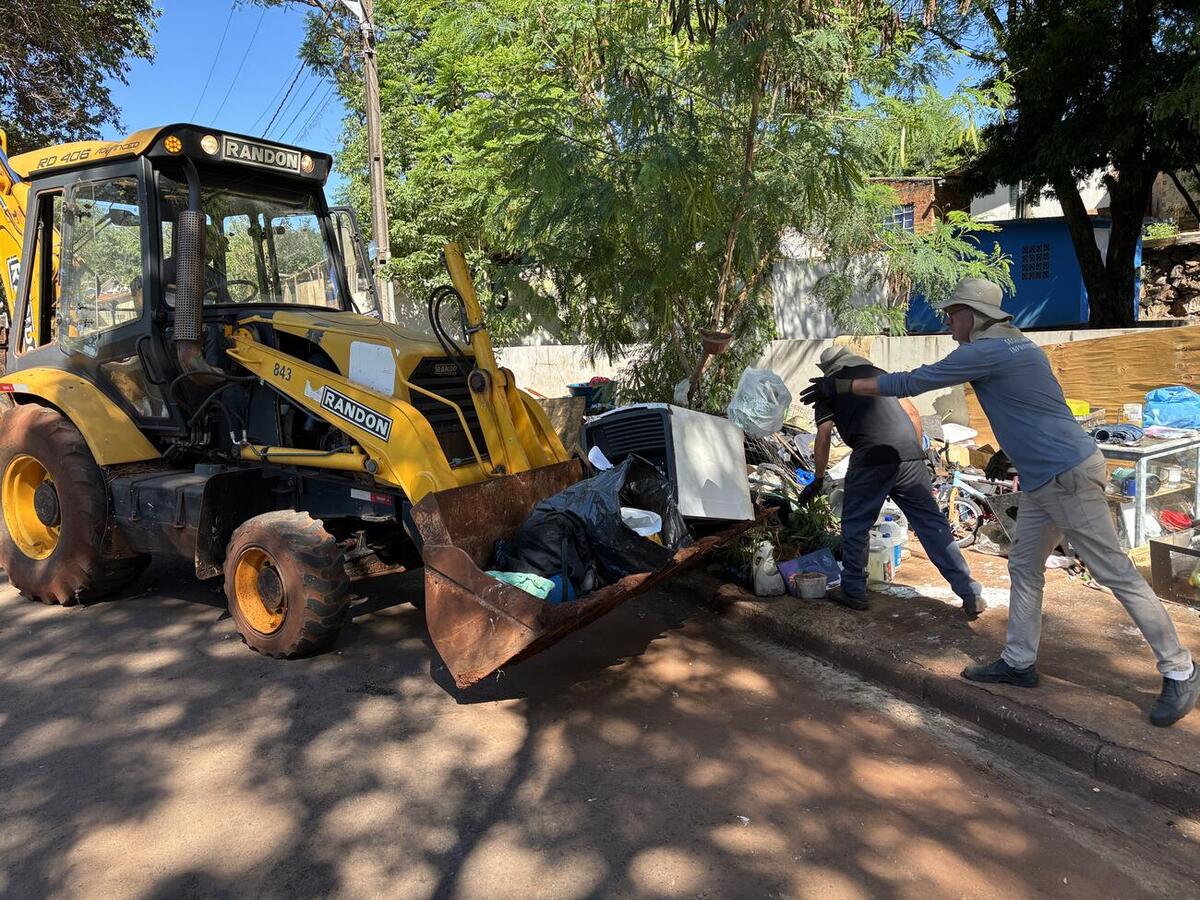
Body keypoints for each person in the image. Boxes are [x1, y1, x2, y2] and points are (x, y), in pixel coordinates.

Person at [801, 278, 1199, 727]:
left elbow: (910, 382)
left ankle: (1179, 668)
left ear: (974, 314)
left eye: (953, 313)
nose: (948, 321)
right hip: (1043, 476)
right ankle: (1018, 662)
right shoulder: (1023, 348)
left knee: (1115, 573)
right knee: (1023, 566)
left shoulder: (983, 352)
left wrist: (846, 388)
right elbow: (1036, 407)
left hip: (1065, 475)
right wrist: (1014, 451)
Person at [801, 346, 984, 618]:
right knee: (931, 524)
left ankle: (853, 590)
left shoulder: (828, 390)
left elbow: (824, 437)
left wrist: (817, 478)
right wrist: (918, 454)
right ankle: (969, 592)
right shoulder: (877, 375)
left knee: (855, 524)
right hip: (909, 455)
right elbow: (911, 413)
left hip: (871, 457)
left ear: (828, 371)